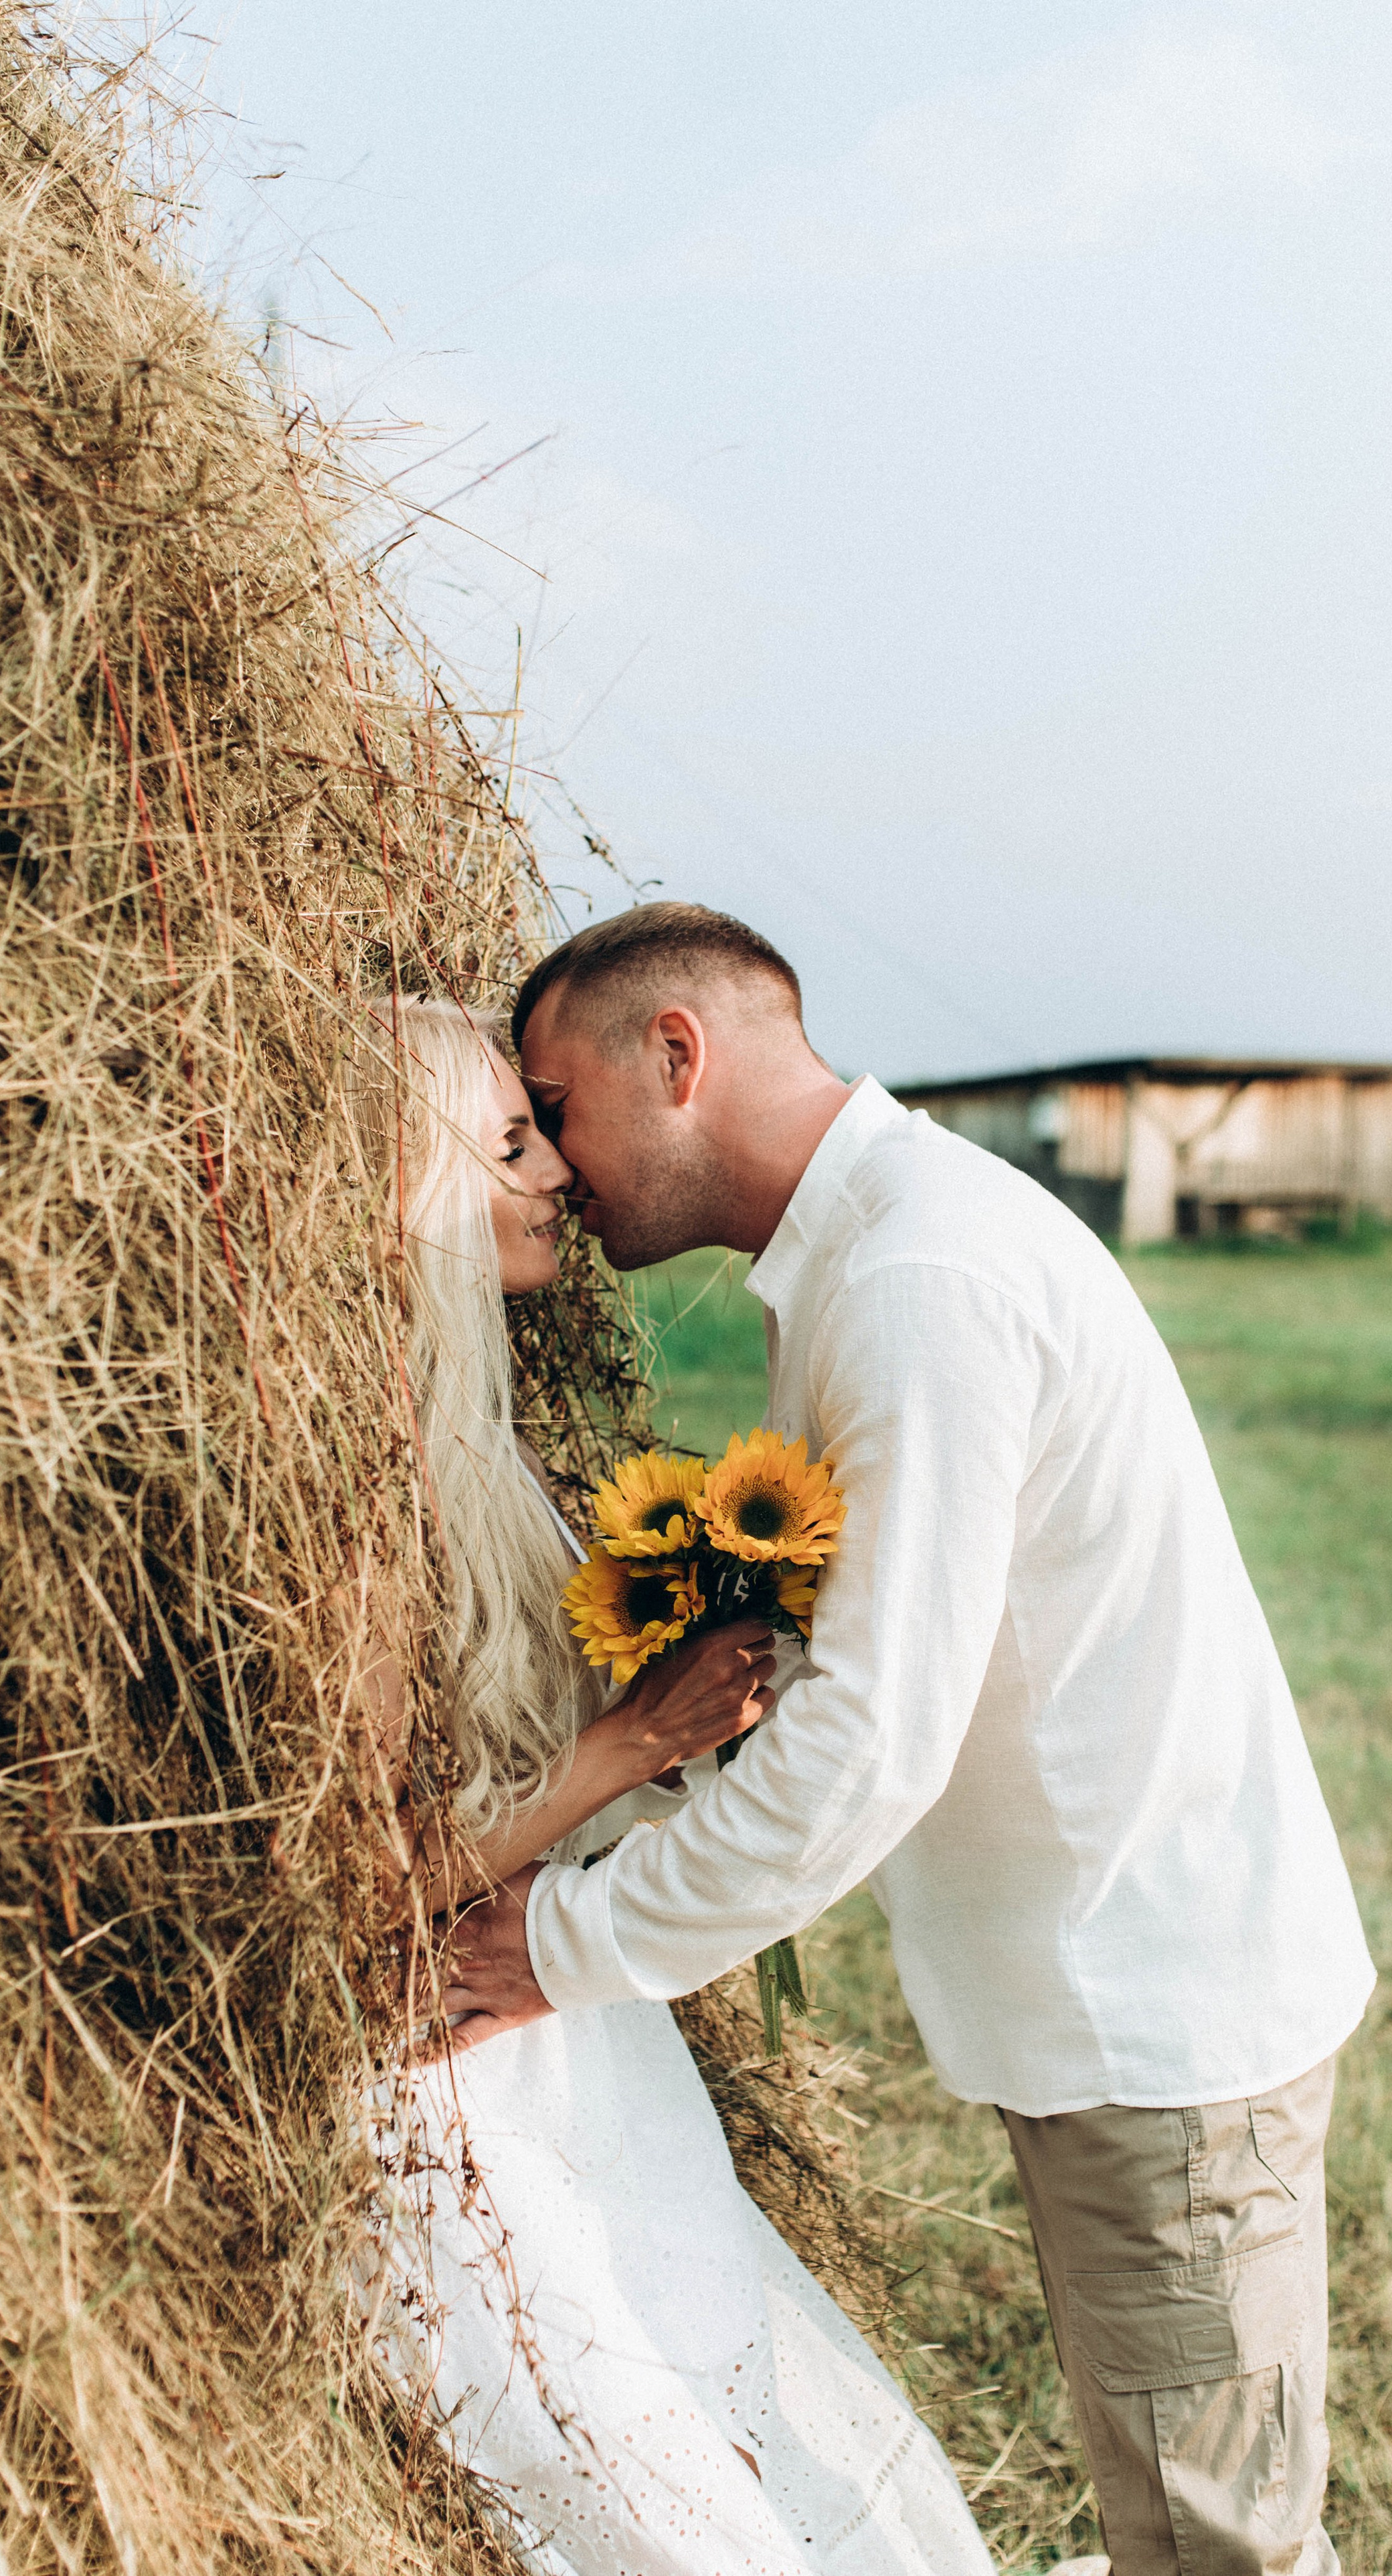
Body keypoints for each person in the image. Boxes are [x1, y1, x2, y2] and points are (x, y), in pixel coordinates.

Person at [445, 905, 1378, 2576]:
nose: (557, 1167)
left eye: (559, 1108)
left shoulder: (914, 1278)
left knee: (1212, 2543)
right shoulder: (889, 1246)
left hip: (1156, 2008)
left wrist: (561, 1944)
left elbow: (871, 1743)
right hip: (1111, 1985)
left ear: (678, 1056)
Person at [348, 997, 998, 2576]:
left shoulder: (477, 1443)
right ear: (406, 1190)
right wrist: (633, 1739)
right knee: (614, 2465)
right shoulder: (354, 1488)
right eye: (510, 1142)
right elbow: (359, 1879)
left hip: (575, 2035)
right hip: (454, 2052)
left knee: (714, 2392)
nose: (557, 1174)